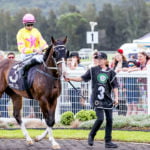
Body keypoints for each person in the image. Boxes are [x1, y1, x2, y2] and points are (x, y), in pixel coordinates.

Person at [64, 52, 119, 148]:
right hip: (96, 99)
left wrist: (116, 98)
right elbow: (82, 78)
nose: (99, 60)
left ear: (105, 60)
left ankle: (108, 142)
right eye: (97, 58)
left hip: (108, 100)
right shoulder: (92, 70)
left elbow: (115, 86)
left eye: (101, 58)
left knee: (110, 120)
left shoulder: (111, 72)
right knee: (100, 118)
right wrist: (71, 79)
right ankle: (91, 135)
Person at [16, 13, 48, 118]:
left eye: (31, 24)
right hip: (26, 56)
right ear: (24, 24)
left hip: (38, 54)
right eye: (28, 25)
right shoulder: (20, 33)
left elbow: (43, 43)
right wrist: (34, 49)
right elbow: (22, 49)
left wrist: (46, 47)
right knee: (28, 65)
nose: (29, 26)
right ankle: (23, 80)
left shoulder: (36, 31)